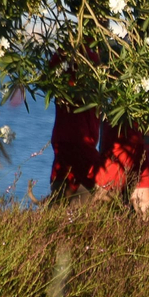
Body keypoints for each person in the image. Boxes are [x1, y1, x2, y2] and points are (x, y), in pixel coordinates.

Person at [48, 49, 102, 200]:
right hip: (77, 141)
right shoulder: (86, 56)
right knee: (106, 188)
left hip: (68, 140)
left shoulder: (64, 55)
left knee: (63, 194)